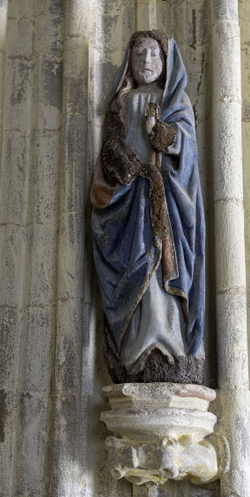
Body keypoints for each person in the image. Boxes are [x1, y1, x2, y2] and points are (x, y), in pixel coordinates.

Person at [91, 30, 205, 383]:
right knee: (137, 262)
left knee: (163, 268)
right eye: (139, 55)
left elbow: (186, 151)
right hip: (130, 202)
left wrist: (164, 135)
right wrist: (122, 162)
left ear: (166, 61)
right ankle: (137, 347)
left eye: (154, 55)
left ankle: (170, 343)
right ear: (130, 62)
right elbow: (109, 149)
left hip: (167, 202)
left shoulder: (177, 101)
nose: (146, 62)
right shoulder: (122, 102)